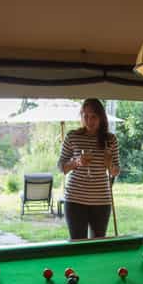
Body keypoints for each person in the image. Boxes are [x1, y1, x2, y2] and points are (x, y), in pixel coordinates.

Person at [57, 98, 120, 239]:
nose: (89, 121)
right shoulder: (73, 136)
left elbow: (115, 171)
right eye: (85, 116)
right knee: (78, 243)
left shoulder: (110, 140)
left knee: (97, 245)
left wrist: (109, 163)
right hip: (75, 200)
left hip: (101, 201)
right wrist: (77, 162)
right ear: (81, 117)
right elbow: (61, 167)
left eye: (93, 117)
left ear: (101, 118)